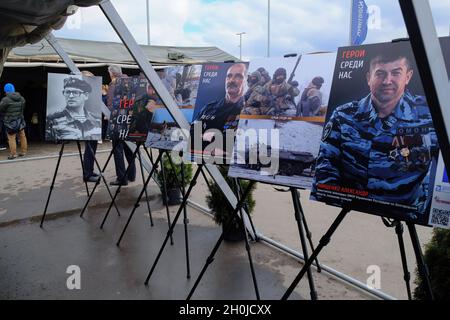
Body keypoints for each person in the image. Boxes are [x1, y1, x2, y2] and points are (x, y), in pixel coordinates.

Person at [313, 53, 438, 215]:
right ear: (368, 78)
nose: (387, 81)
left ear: (407, 77)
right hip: (352, 209)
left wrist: (422, 209)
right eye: (380, 73)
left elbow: (440, 168)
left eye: (396, 73)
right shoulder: (343, 115)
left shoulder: (432, 115)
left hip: (406, 212)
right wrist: (335, 199)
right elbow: (326, 164)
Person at [190, 63, 247, 157]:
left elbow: (235, 143)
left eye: (238, 76)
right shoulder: (208, 108)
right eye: (229, 76)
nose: (231, 80)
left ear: (246, 81)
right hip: (199, 157)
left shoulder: (247, 112)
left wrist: (206, 136)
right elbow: (192, 134)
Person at [46, 77, 101, 141]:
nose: (70, 96)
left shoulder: (97, 119)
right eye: (67, 92)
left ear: (86, 96)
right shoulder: (53, 119)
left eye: (75, 92)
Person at [107, 64, 136, 186]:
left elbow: (110, 103)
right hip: (131, 120)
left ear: (112, 73)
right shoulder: (132, 82)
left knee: (118, 150)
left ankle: (121, 178)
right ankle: (132, 175)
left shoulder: (114, 84)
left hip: (118, 120)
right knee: (129, 148)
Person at [0, 83, 28, 160]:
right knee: (22, 136)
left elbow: (1, 109)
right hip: (20, 120)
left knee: (11, 138)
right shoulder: (22, 98)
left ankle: (13, 154)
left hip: (10, 122)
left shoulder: (5, 100)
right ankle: (24, 152)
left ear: (6, 91)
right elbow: (22, 109)